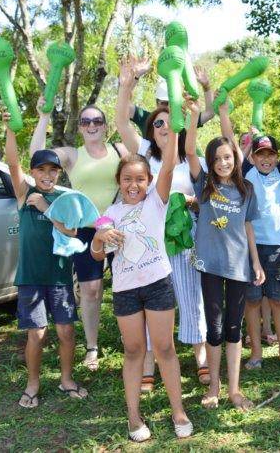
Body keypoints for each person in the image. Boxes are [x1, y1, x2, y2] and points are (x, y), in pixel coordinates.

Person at [90, 113, 192, 441]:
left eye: (140, 179)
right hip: (126, 292)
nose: (134, 185)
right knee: (134, 351)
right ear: (119, 183)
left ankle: (178, 411)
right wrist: (98, 239)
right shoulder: (109, 215)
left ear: (149, 181)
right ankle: (133, 416)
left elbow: (170, 163)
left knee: (165, 348)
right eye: (127, 180)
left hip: (158, 284)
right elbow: (96, 254)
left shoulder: (157, 202)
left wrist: (177, 125)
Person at [115, 57, 210, 391]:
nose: (164, 128)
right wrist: (127, 83)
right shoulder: (144, 155)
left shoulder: (188, 156)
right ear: (151, 131)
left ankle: (200, 356)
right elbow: (121, 121)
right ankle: (150, 362)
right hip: (150, 240)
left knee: (189, 293)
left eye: (170, 122)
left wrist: (190, 202)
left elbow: (204, 193)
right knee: (154, 299)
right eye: (157, 124)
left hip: (185, 234)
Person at [30, 95, 129, 372]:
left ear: (105, 126)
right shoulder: (73, 155)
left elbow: (143, 168)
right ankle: (92, 347)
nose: (91, 125)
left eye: (97, 120)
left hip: (118, 228)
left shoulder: (119, 150)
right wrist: (43, 117)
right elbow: (36, 157)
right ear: (80, 127)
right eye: (86, 121)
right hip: (85, 231)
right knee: (91, 290)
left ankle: (131, 338)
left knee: (126, 287)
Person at [4, 112, 87, 409]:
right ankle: (33, 383)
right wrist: (10, 130)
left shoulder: (65, 198)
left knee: (66, 331)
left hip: (60, 277)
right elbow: (12, 163)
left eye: (53, 170)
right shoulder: (25, 192)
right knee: (36, 335)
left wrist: (48, 210)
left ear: (59, 173)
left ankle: (66, 379)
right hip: (31, 277)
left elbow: (73, 230)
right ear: (34, 172)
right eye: (42, 170)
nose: (48, 175)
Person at [187, 100, 265, 411]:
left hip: (238, 266)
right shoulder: (204, 185)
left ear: (236, 158)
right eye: (217, 158)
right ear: (211, 162)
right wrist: (195, 117)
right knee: (215, 327)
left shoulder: (246, 189)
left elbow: (248, 228)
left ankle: (234, 389)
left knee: (234, 327)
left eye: (228, 157)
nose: (223, 162)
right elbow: (190, 151)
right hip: (210, 264)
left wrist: (256, 262)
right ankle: (215, 388)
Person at [228, 90, 280, 375]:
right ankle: (256, 352)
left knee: (279, 300)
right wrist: (226, 118)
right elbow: (234, 148)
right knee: (254, 301)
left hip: (276, 248)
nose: (267, 159)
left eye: (271, 154)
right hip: (251, 247)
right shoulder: (248, 173)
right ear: (254, 157)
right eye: (261, 154)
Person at [128, 69, 214, 132]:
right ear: (157, 102)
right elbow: (125, 105)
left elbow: (210, 113)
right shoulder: (146, 119)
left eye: (172, 103)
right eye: (165, 103)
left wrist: (206, 86)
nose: (169, 107)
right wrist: (136, 77)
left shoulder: (185, 121)